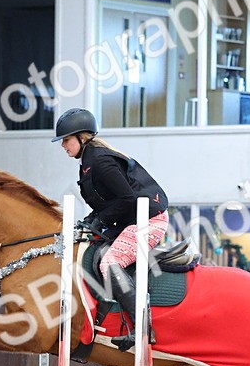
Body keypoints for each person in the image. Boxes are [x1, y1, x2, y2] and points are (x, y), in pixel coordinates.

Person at [53, 107, 170, 347]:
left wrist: (101, 221)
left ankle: (142, 327)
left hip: (149, 219)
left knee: (110, 262)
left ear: (81, 138)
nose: (63, 145)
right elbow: (108, 203)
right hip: (131, 219)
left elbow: (127, 198)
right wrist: (91, 220)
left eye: (66, 140)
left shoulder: (100, 161)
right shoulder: (87, 161)